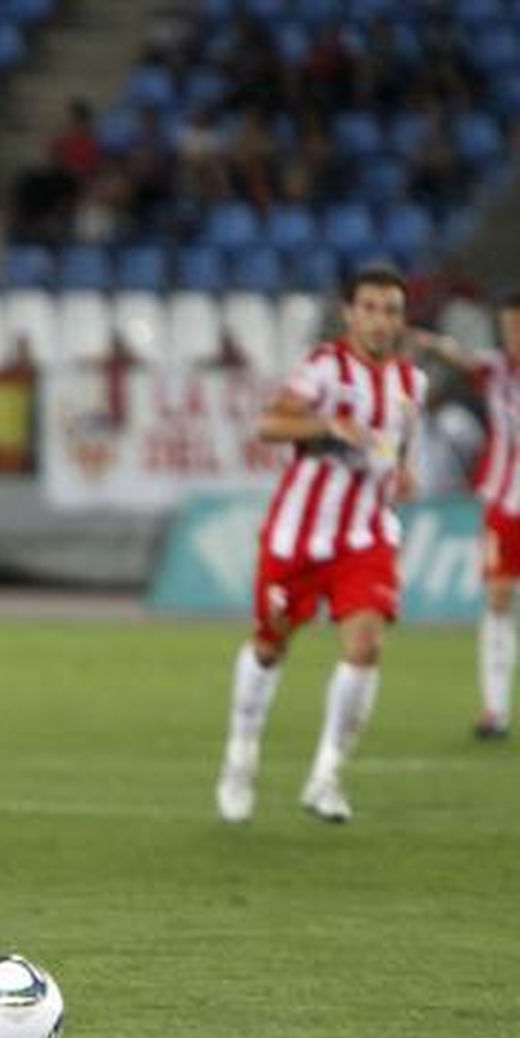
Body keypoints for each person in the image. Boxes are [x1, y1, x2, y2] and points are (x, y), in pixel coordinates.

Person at [214, 266, 427, 825]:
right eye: (371, 308)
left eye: (392, 310)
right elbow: (268, 423)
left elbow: (400, 456)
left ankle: (327, 774)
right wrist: (330, 426)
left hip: (366, 536)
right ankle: (241, 753)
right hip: (299, 536)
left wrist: (403, 477)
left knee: (365, 647)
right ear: (350, 314)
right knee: (269, 647)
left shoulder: (411, 383)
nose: (382, 321)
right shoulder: (324, 368)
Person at [408, 298, 520, 740]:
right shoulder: (495, 371)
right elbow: (458, 354)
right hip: (502, 504)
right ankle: (495, 709)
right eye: (509, 327)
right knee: (496, 599)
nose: (515, 336)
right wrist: (425, 341)